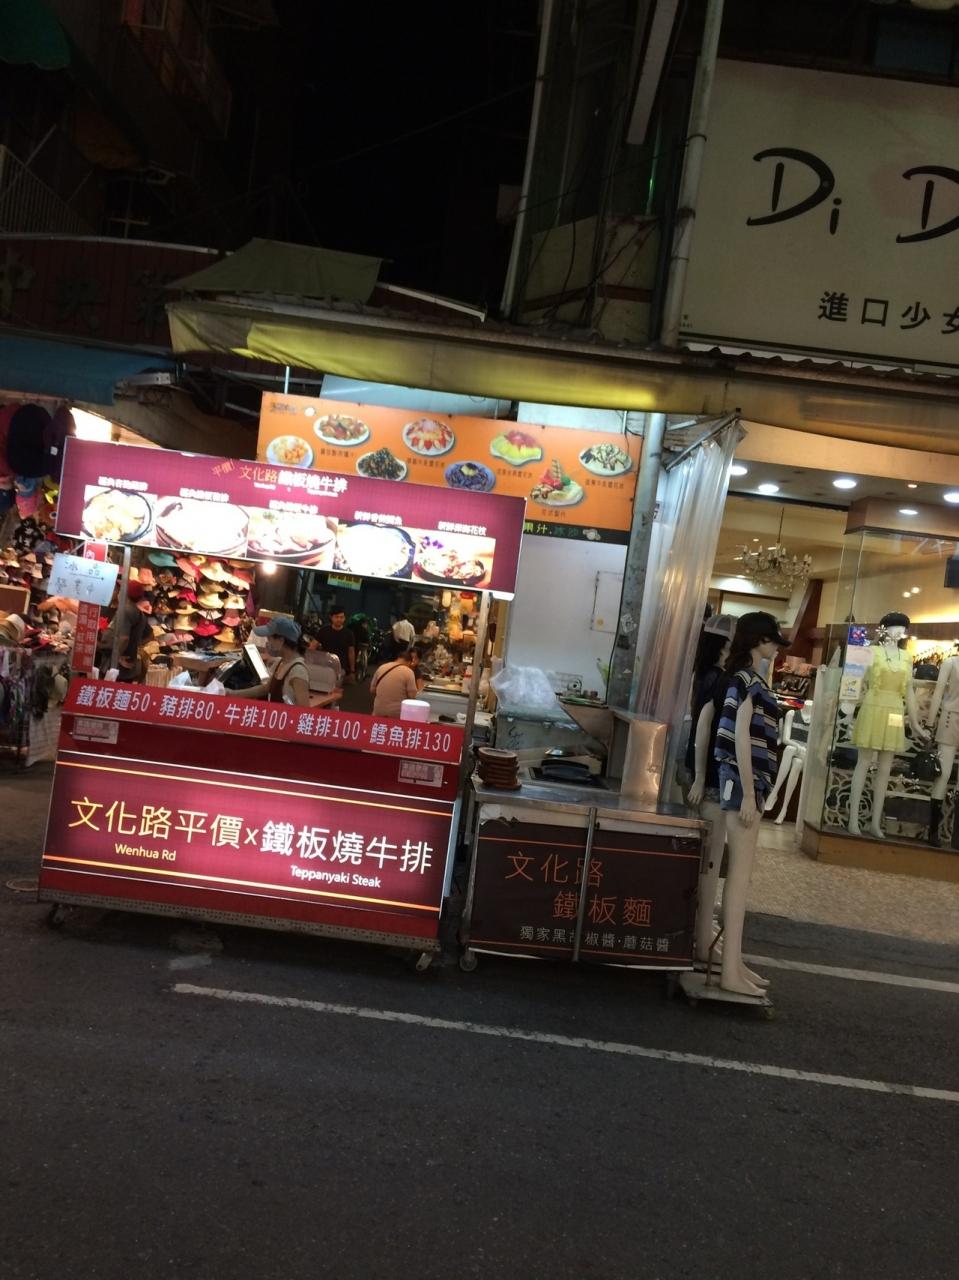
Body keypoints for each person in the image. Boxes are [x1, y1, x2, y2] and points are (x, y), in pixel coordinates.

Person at [251, 615, 310, 706]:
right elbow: (266, 688)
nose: (267, 643)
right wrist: (232, 693)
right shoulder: (282, 662)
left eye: (269, 638)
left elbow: (304, 711)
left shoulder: (298, 671)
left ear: (281, 640)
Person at [370, 643, 425, 718]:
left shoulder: (382, 667)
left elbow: (372, 690)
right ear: (409, 661)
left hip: (377, 711)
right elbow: (413, 695)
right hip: (397, 714)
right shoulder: (408, 672)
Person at [318, 608, 356, 682]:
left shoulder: (349, 634)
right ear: (331, 617)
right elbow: (313, 646)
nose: (339, 619)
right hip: (324, 665)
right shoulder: (324, 631)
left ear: (344, 618)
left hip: (340, 667)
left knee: (335, 685)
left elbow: (351, 652)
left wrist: (352, 671)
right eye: (336, 617)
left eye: (341, 617)